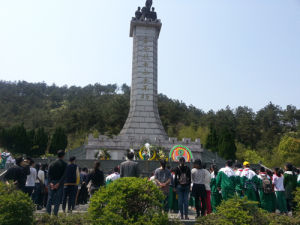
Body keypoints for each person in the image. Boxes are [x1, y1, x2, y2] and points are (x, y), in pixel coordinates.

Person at [46, 150, 67, 216]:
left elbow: (48, 174)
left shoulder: (51, 163)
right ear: (63, 156)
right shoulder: (65, 164)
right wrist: (59, 183)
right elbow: (64, 175)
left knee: (49, 198)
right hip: (59, 183)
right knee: (57, 199)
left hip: (51, 183)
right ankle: (55, 214)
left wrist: (50, 183)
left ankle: (47, 214)